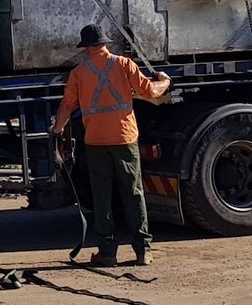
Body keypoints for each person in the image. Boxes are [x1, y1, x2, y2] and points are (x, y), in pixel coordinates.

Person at [49, 24, 172, 267]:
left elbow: (66, 107)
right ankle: (143, 251)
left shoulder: (78, 74)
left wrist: (56, 130)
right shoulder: (124, 64)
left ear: (86, 48)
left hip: (96, 142)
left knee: (102, 196)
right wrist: (165, 82)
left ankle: (107, 253)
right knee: (133, 192)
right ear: (105, 44)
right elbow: (150, 91)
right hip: (124, 139)